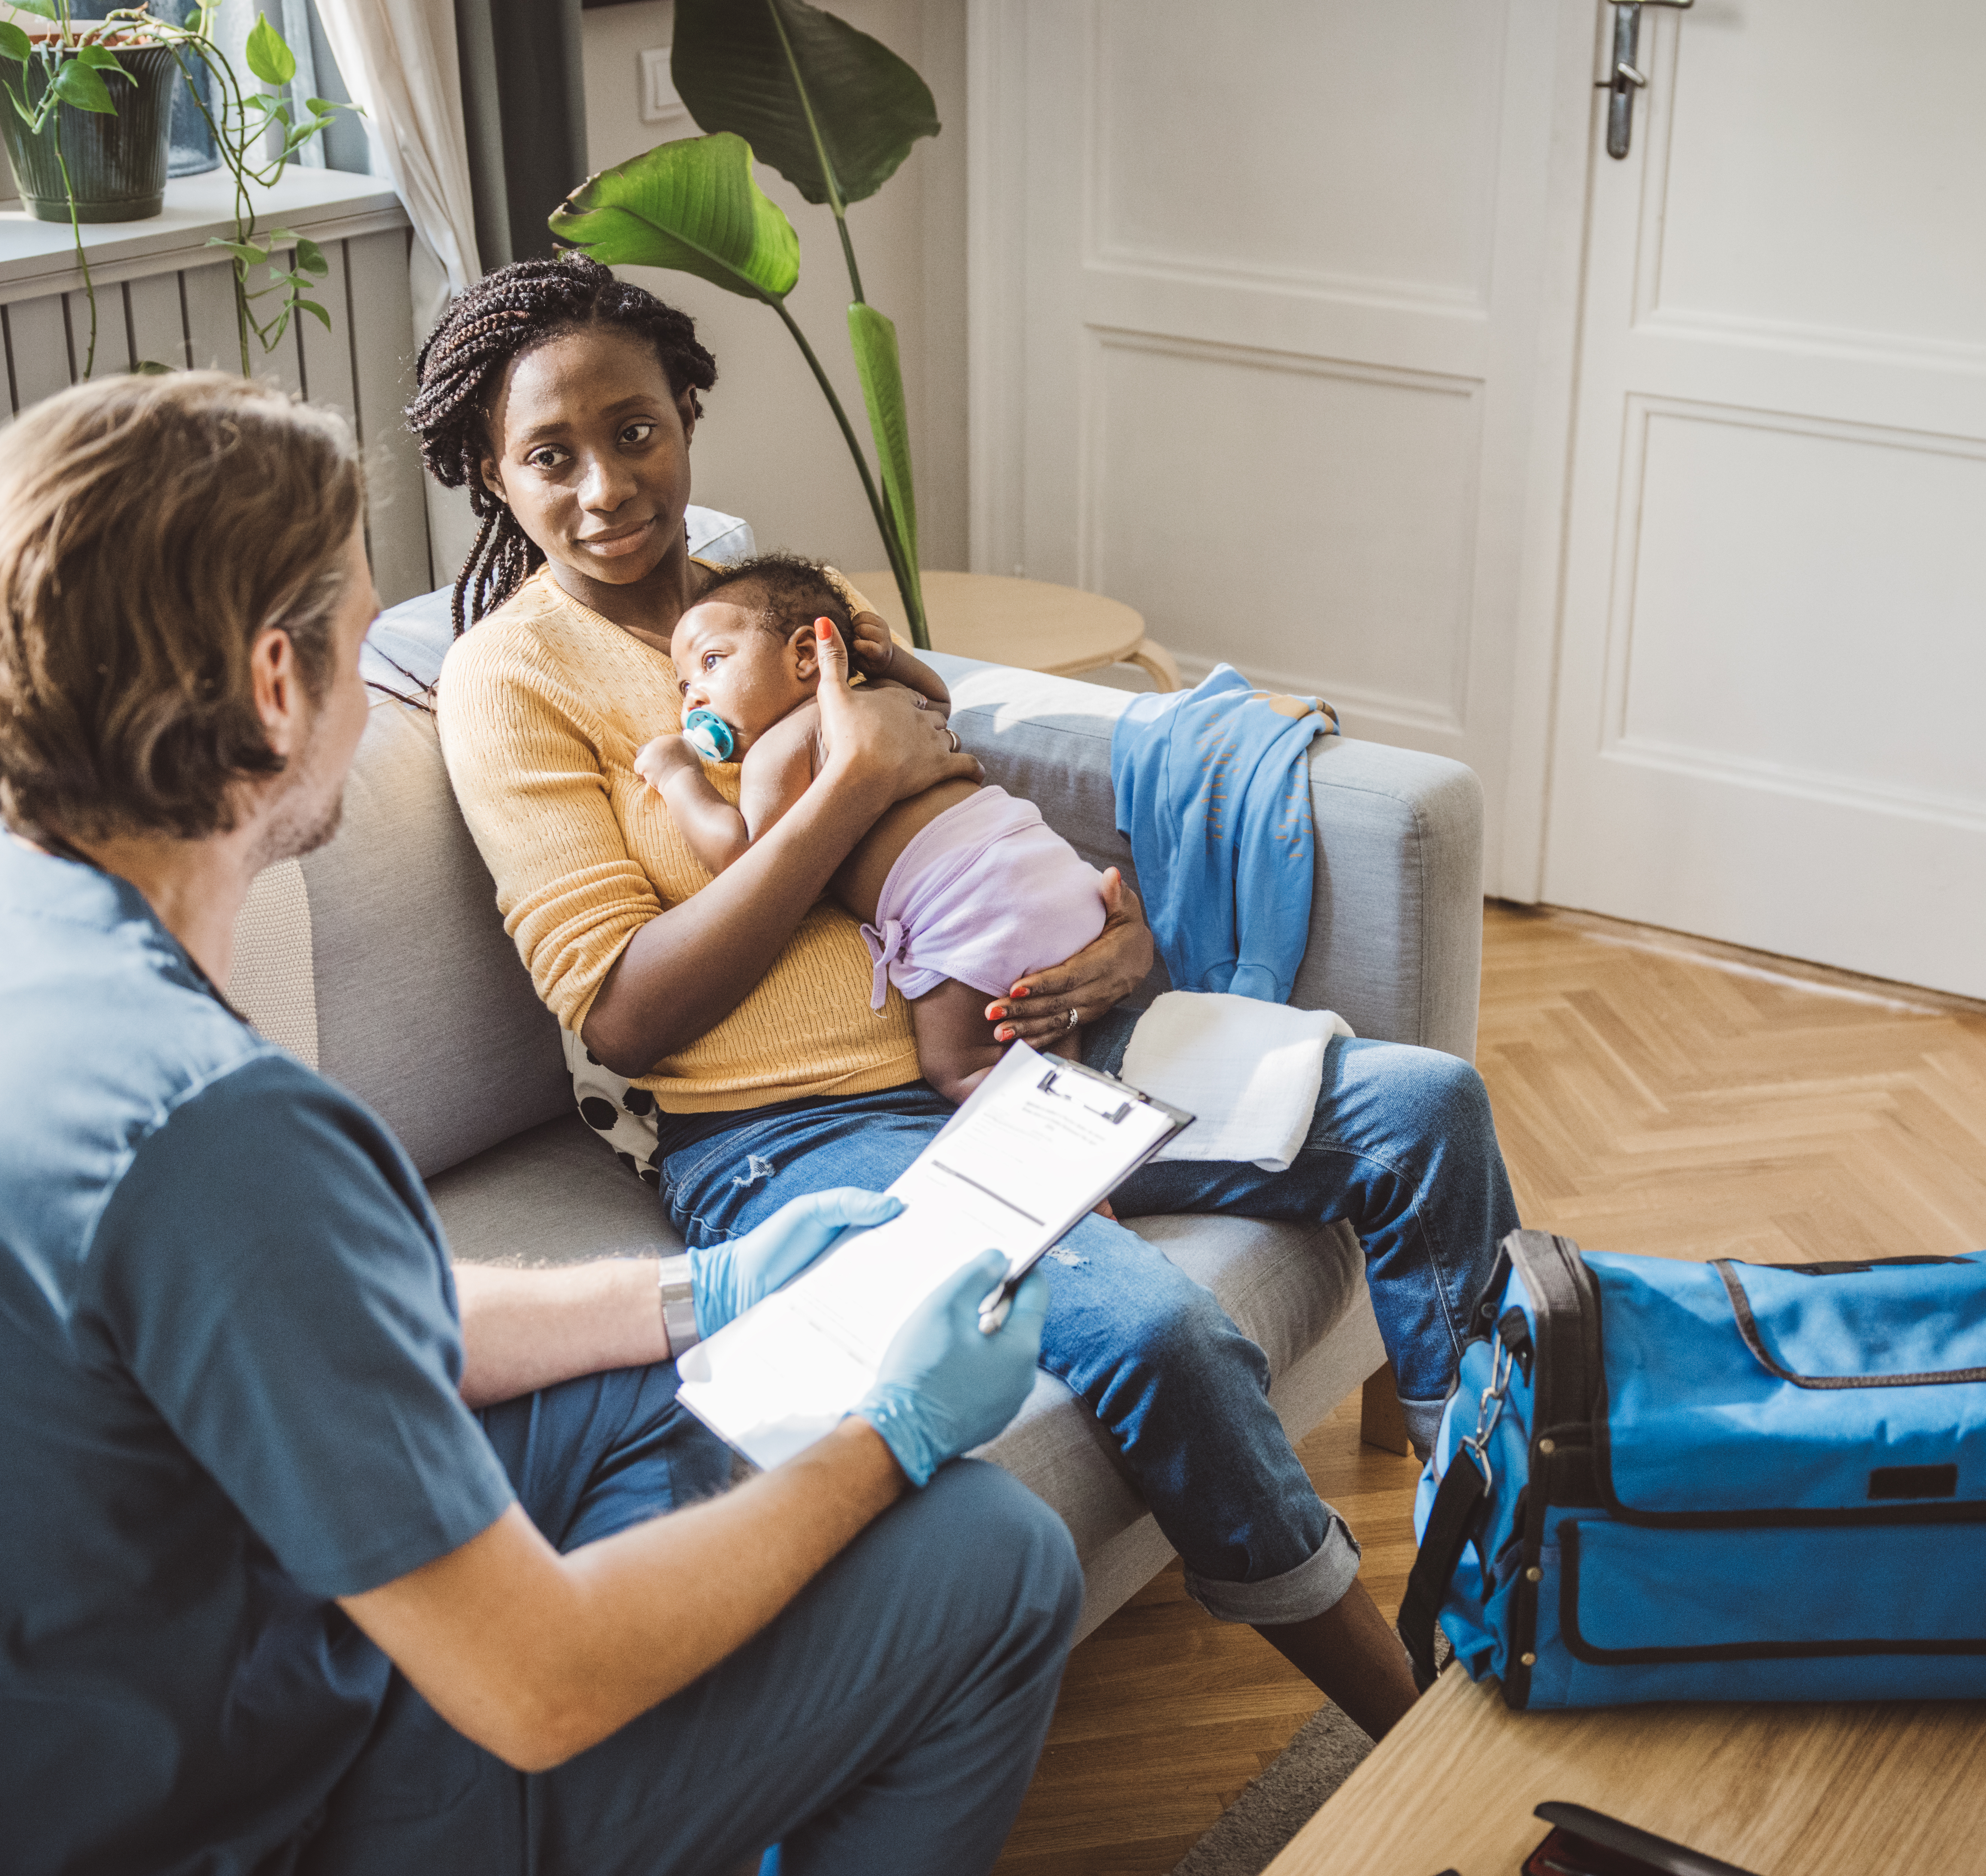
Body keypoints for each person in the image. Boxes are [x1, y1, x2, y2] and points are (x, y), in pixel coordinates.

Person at [0, 371, 1079, 1876]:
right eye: (367, 641)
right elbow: (539, 1683)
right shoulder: (208, 1130)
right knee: (988, 1557)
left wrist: (704, 1290)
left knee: (641, 1394)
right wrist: (885, 1434)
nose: (388, 700)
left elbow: (304, 1328)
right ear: (273, 684)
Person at [420, 255, 1522, 1743]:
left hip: (1028, 1031)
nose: (607, 486)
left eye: (636, 430)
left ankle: (1490, 1541)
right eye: (548, 456)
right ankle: (1408, 1728)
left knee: (1423, 1108)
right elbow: (620, 1010)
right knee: (1150, 1327)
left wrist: (1108, 941)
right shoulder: (506, 678)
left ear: (685, 415)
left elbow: (947, 808)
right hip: (797, 1134)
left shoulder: (764, 597)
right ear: (491, 477)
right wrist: (846, 781)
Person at [633, 552, 1111, 1096]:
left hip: (971, 909)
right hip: (1050, 867)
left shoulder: (779, 748)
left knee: (959, 1068)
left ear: (807, 655)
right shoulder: (883, 699)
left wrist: (678, 778)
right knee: (1045, 1047)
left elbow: (742, 861)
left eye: (711, 662)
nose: (693, 695)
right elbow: (937, 700)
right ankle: (1082, 1098)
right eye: (683, 686)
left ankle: (1050, 1133)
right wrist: (890, 663)